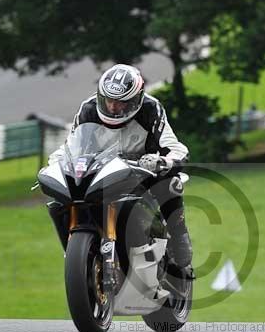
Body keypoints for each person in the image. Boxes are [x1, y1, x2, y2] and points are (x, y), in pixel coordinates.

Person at [67, 63, 192, 270]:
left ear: (135, 99)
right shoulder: (88, 109)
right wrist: (57, 165)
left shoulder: (150, 109)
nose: (113, 107)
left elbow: (175, 148)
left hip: (143, 171)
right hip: (101, 173)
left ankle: (179, 236)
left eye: (121, 102)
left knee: (171, 183)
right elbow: (71, 146)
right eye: (109, 100)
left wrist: (162, 161)